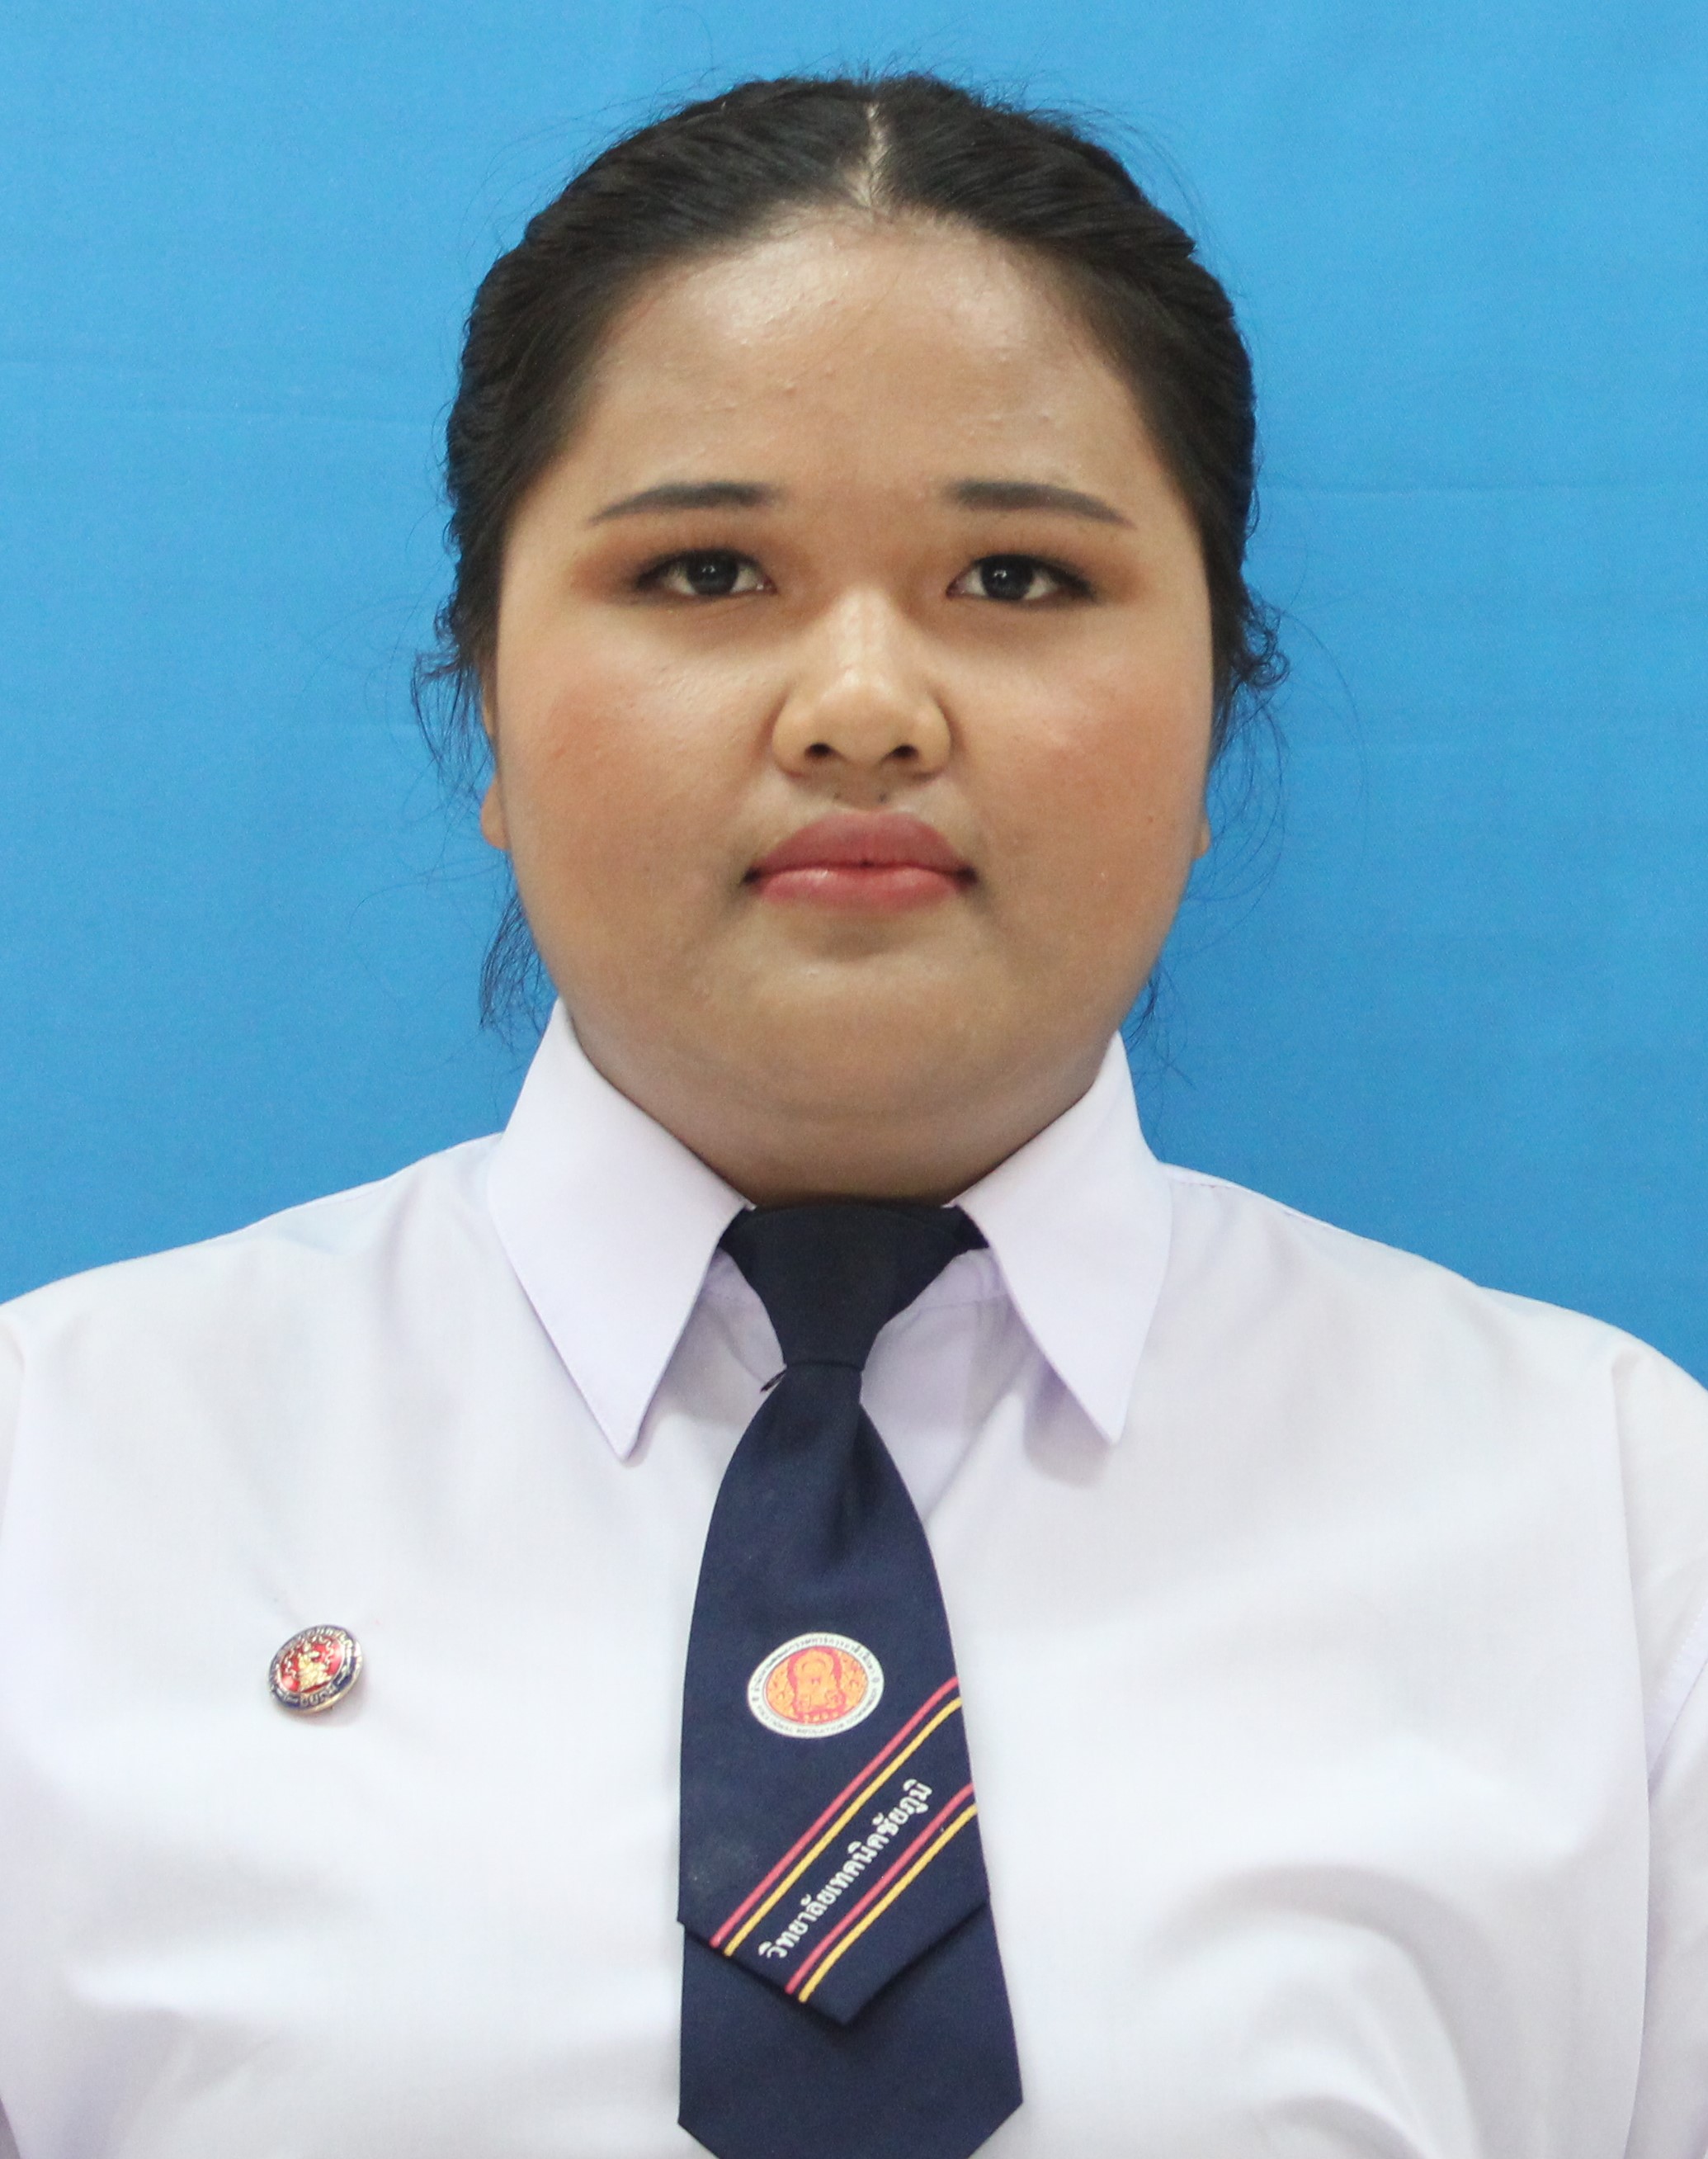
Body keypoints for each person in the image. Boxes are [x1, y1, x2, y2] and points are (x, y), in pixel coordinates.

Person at [1, 69, 1705, 2159]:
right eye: (709, 570)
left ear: (1214, 720)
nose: (866, 707)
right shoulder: (59, 1485)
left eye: (1020, 579)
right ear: (487, 706)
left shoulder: (1616, 1527)